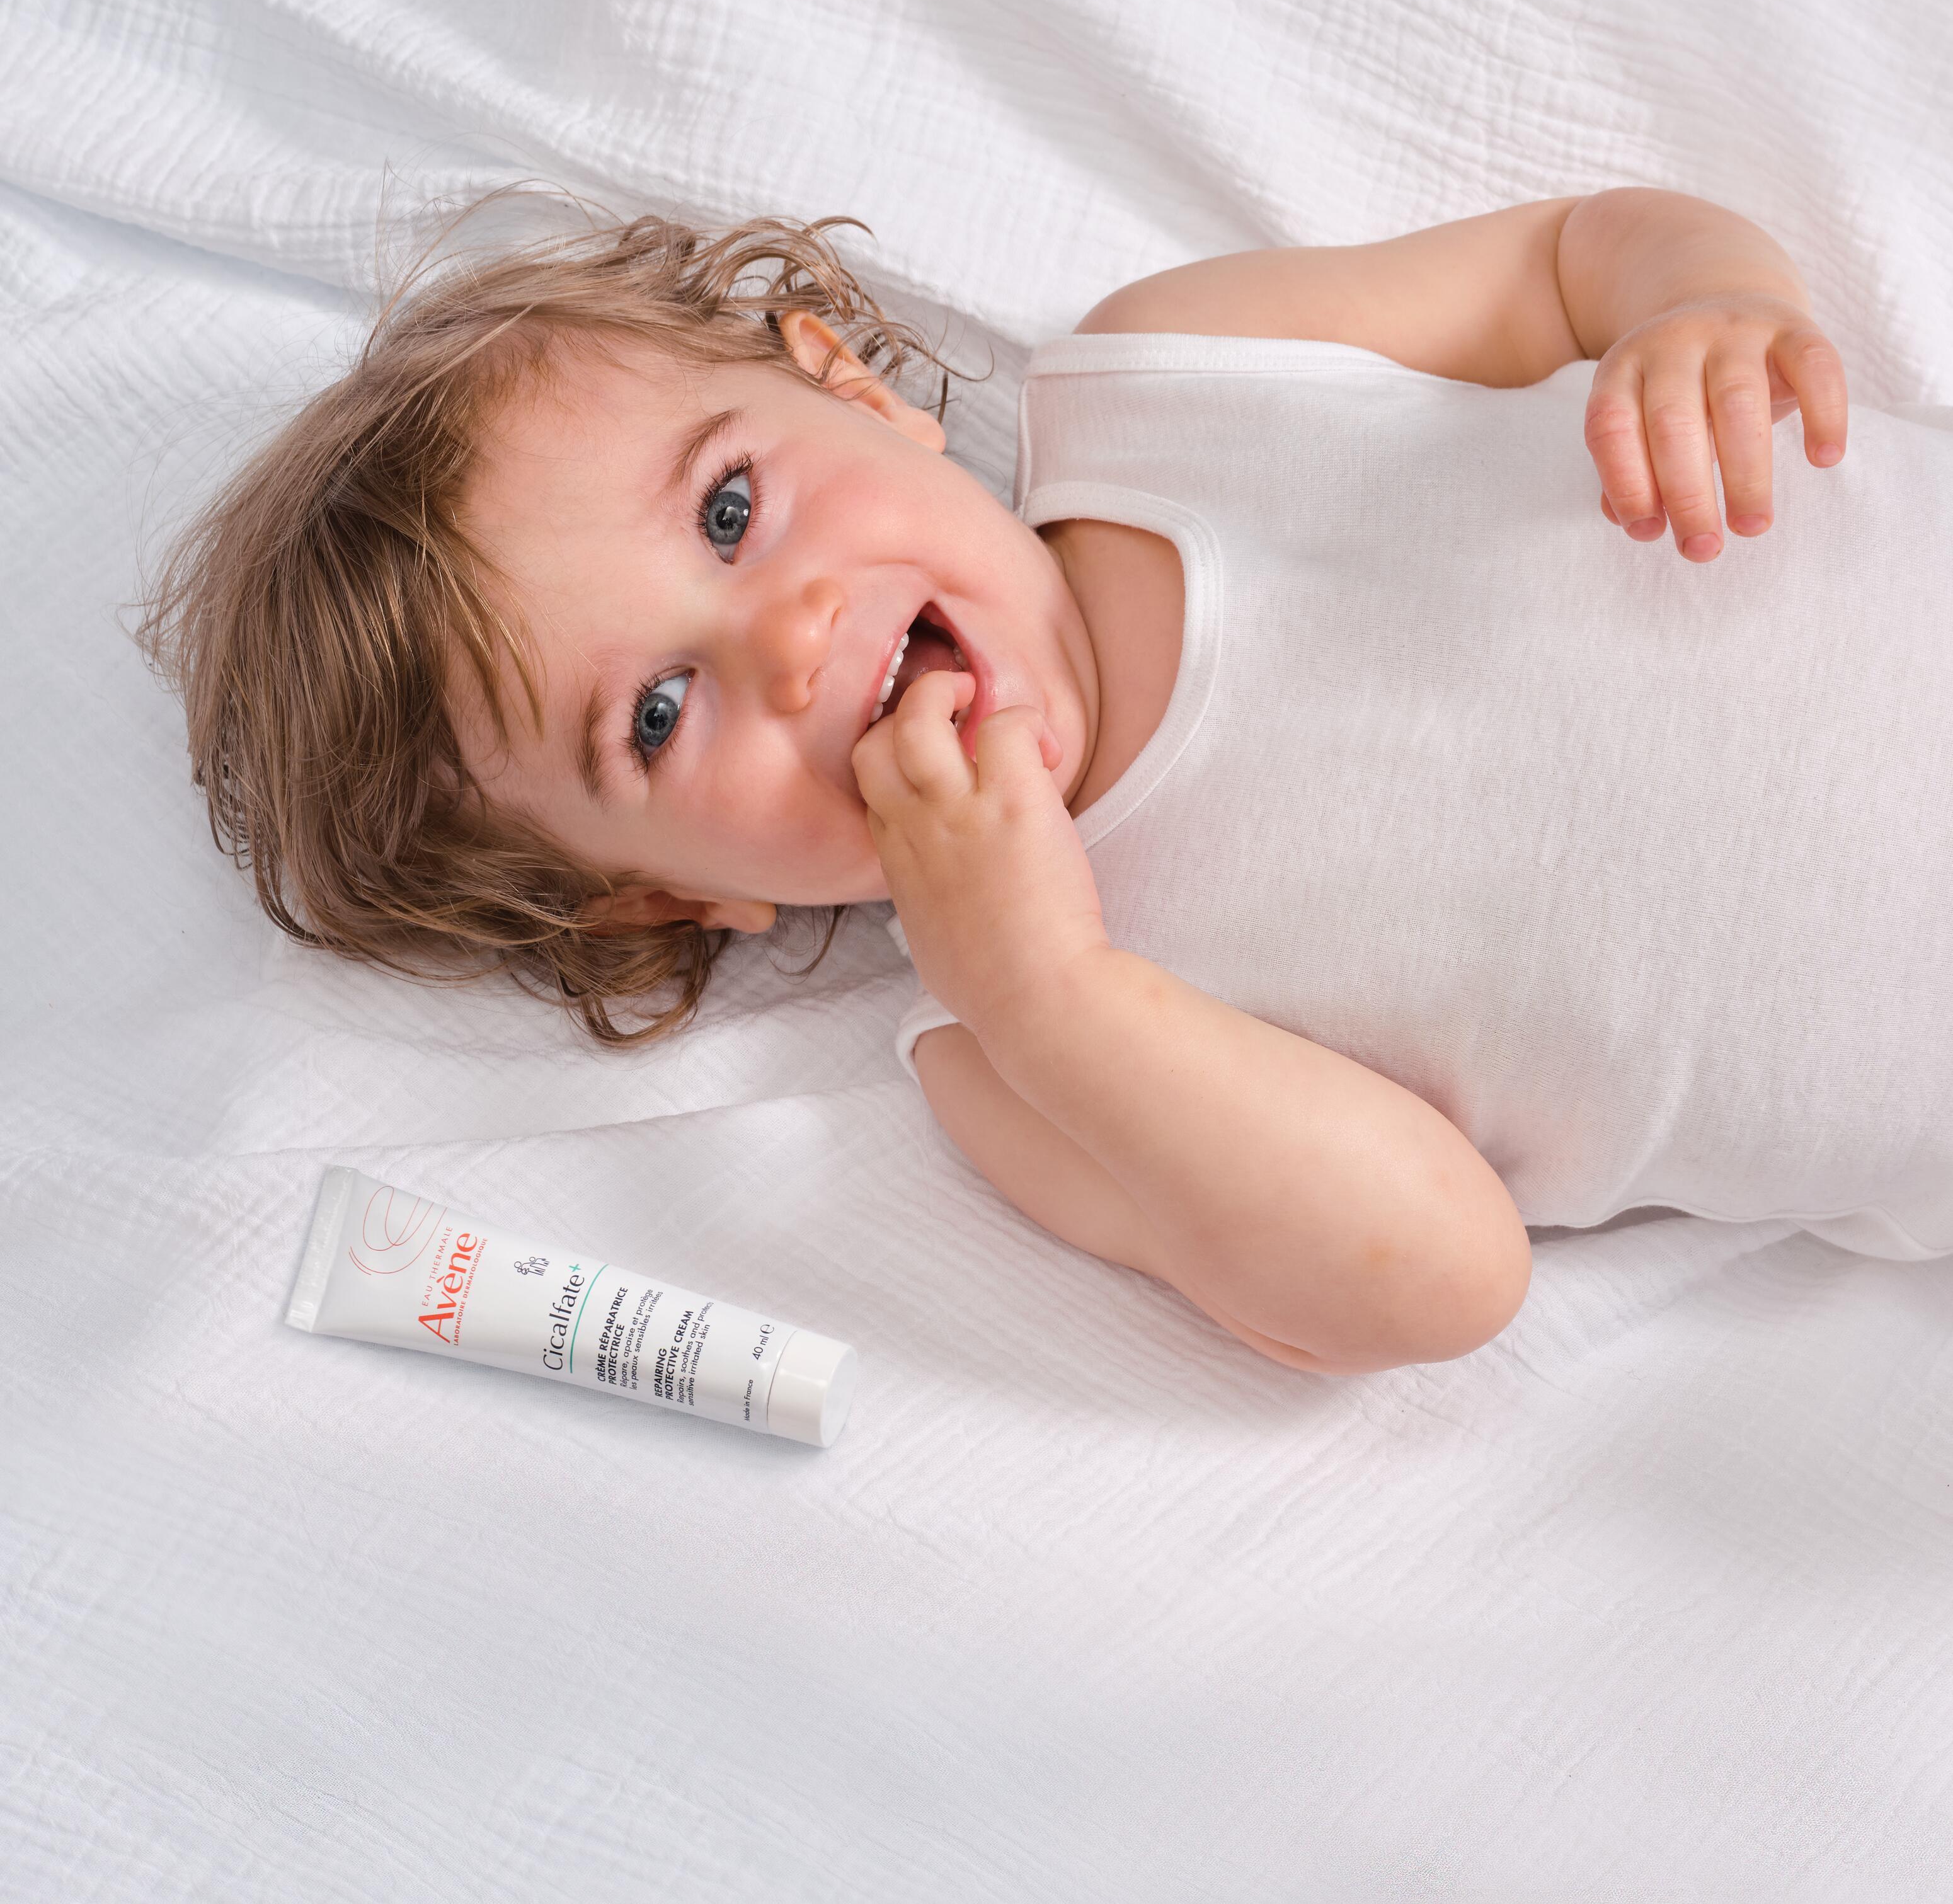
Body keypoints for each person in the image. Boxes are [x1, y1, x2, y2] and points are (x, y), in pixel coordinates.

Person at [139, 185, 1953, 1377]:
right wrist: (1055, 989)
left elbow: (1570, 256)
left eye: (732, 507)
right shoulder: (1010, 1062)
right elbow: (1437, 1280)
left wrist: (1704, 304)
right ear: (667, 895)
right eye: (662, 713)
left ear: (852, 387)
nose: (789, 638)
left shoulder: (1184, 374)